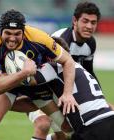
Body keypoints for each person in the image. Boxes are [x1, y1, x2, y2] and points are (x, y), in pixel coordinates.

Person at [0, 9, 77, 140]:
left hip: (37, 86)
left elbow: (68, 60)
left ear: (24, 32)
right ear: (0, 31)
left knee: (67, 132)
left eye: (17, 34)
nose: (12, 38)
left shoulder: (39, 37)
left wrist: (67, 94)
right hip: (7, 84)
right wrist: (24, 73)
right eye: (8, 33)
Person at [28, 1, 102, 139]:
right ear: (75, 21)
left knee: (67, 136)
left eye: (93, 23)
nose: (89, 26)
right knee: (43, 124)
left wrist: (100, 99)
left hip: (63, 94)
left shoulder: (90, 43)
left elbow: (89, 71)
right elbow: (44, 70)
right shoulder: (62, 39)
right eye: (85, 21)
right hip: (44, 91)